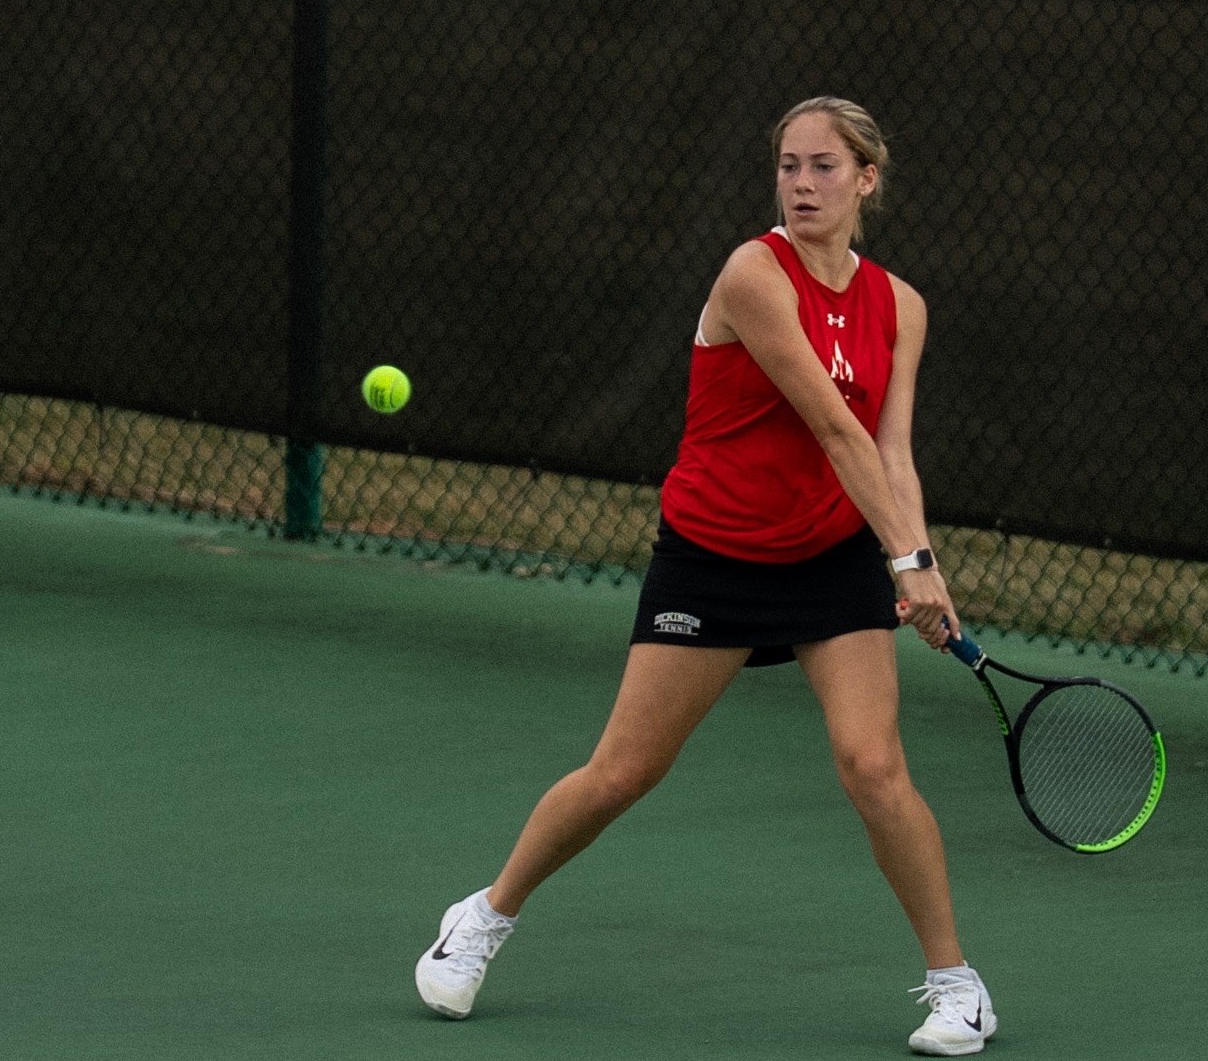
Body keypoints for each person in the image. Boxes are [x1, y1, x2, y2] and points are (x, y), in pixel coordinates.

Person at [415, 96, 997, 1056]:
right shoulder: (751, 274)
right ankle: (483, 914)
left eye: (823, 167)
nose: (802, 184)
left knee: (875, 766)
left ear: (868, 180)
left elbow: (891, 452)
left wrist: (916, 560)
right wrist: (911, 559)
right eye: (788, 166)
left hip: (833, 556)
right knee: (624, 773)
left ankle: (958, 985)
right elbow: (832, 425)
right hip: (716, 556)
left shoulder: (903, 306)